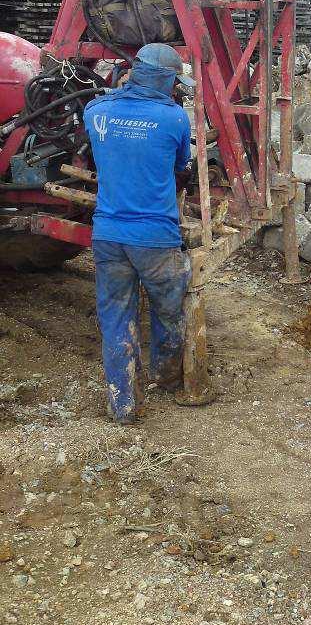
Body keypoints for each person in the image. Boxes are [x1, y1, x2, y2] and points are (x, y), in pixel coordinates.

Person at [84, 43, 194, 425]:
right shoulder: (175, 118)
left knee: (115, 317)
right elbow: (182, 165)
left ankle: (122, 405)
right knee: (169, 308)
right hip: (156, 238)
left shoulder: (95, 111)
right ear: (167, 81)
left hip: (108, 235)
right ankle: (165, 378)